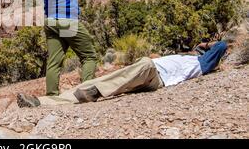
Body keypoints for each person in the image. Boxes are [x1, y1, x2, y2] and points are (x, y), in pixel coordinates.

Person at [7, 0, 125, 97]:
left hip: (50, 22)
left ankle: (52, 96)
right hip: (67, 21)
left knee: (54, 62)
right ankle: (87, 92)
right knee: (89, 56)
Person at [17, 41, 228, 108]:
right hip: (149, 74)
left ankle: (95, 91)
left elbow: (222, 45)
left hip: (153, 74)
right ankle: (42, 103)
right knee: (99, 80)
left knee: (143, 62)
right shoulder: (187, 57)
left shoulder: (202, 63)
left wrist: (207, 44)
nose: (199, 51)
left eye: (203, 50)